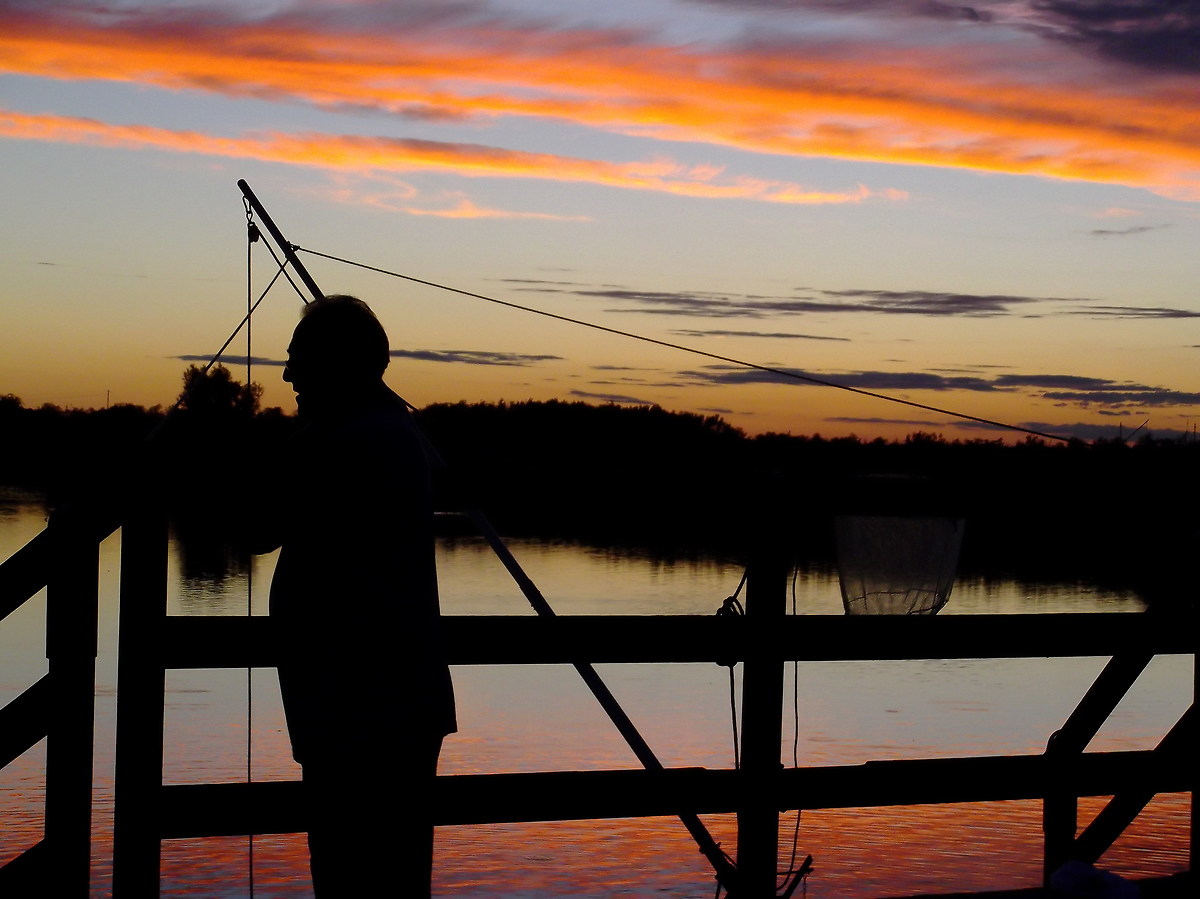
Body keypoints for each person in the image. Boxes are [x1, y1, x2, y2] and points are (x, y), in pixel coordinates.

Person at [251, 295, 455, 897]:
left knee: (351, 876)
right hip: (392, 704)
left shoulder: (342, 443)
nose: (287, 375)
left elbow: (257, 524)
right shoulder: (392, 434)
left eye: (297, 359)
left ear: (335, 363)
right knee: (394, 875)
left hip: (355, 707)